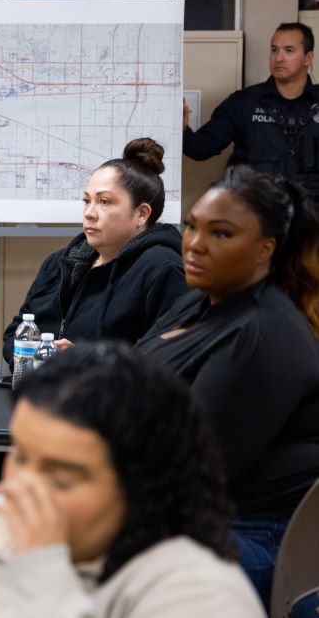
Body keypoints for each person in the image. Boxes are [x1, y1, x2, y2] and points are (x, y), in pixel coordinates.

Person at [0, 343, 265, 618]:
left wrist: (41, 571)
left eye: (62, 478)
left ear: (141, 485)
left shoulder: (199, 590)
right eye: (20, 456)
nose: (21, 488)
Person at [136, 166, 319, 612]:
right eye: (191, 226)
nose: (195, 244)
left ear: (265, 249)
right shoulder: (200, 301)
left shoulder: (262, 333)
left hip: (245, 536)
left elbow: (193, 466)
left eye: (220, 233)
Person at [1, 138, 188, 364]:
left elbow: (173, 359)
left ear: (141, 214)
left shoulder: (163, 268)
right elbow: (15, 334)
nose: (89, 213)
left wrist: (90, 363)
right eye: (86, 200)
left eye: (105, 202)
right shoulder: (60, 262)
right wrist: (39, 358)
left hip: (109, 388)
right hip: (44, 385)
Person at [183, 22, 319, 202]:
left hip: (309, 214)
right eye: (274, 50)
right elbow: (201, 149)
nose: (279, 58)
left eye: (289, 50)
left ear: (308, 58)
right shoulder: (243, 103)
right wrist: (182, 129)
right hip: (254, 212)